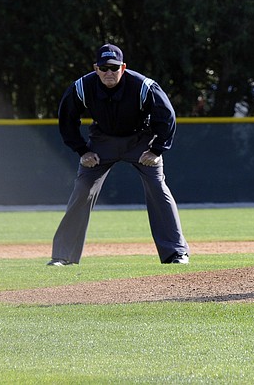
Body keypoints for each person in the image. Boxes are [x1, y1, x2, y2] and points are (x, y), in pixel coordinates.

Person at [47, 44, 190, 266]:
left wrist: (156, 150)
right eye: (104, 68)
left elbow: (166, 116)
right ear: (96, 68)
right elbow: (67, 118)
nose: (109, 73)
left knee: (157, 187)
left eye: (114, 68)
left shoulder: (143, 86)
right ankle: (63, 256)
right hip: (102, 142)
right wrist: (82, 150)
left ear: (123, 67)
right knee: (83, 189)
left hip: (140, 141)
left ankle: (176, 253)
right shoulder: (82, 87)